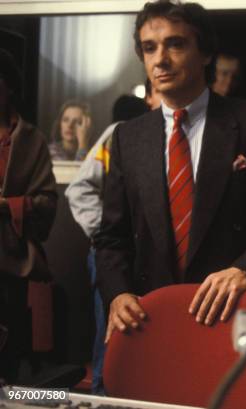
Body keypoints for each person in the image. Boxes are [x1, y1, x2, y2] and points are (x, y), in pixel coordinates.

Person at [94, 0, 246, 344]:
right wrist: (117, 294)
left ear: (206, 53)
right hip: (151, 318)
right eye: (149, 48)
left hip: (234, 312)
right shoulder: (127, 137)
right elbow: (111, 237)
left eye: (175, 44)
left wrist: (245, 270)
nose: (160, 59)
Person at [65, 93, 153, 394]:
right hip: (112, 254)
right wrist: (105, 233)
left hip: (146, 257)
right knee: (110, 332)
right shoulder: (119, 132)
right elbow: (79, 189)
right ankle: (102, 396)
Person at [0, 49, 57, 383]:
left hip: (11, 263)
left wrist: (7, 206)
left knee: (9, 348)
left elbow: (48, 201)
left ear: (9, 86)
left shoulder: (30, 140)